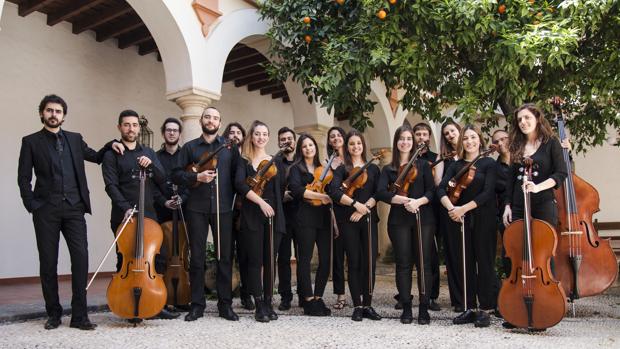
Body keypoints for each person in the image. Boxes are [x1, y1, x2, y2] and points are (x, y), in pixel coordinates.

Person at [18, 94, 120, 330]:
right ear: (42, 113)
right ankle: (53, 314)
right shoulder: (31, 142)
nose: (54, 114)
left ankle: (79, 316)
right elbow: (23, 178)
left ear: (63, 116)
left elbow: (95, 157)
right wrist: (32, 204)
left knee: (81, 260)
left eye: (58, 111)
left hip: (75, 209)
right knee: (48, 262)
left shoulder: (75, 139)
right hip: (46, 211)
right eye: (49, 111)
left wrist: (110, 145)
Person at [101, 109, 173, 322]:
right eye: (126, 125)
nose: (131, 128)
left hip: (148, 212)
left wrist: (151, 166)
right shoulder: (111, 154)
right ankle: (127, 305)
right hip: (123, 214)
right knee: (125, 258)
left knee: (155, 258)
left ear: (138, 128)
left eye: (134, 125)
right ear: (119, 127)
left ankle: (155, 305)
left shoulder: (149, 153)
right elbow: (111, 186)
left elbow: (162, 180)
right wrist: (124, 208)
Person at [501, 103, 568, 329]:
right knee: (519, 254)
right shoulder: (517, 145)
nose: (523, 122)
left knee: (542, 254)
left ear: (537, 119)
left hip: (542, 203)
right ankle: (517, 308)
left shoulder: (551, 144)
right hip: (519, 204)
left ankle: (544, 309)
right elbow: (511, 179)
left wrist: (538, 187)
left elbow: (561, 173)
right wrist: (508, 205)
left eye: (527, 118)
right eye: (520, 120)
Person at [172, 107, 240, 322]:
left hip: (223, 209)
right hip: (196, 209)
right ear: (201, 120)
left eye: (215, 118)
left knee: (224, 258)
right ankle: (197, 305)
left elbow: (237, 179)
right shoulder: (190, 148)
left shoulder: (229, 148)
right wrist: (196, 178)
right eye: (207, 117)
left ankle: (225, 305)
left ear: (220, 123)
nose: (211, 121)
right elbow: (176, 174)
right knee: (197, 258)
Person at [437, 124, 498, 328]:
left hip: (483, 217)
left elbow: (488, 192)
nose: (469, 141)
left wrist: (463, 208)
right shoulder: (455, 165)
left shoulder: (489, 163)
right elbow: (441, 189)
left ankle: (486, 308)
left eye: (473, 137)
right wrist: (451, 208)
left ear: (480, 140)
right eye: (465, 138)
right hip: (459, 219)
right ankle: (469, 307)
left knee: (485, 262)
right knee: (466, 263)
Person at [377, 124, 434, 325]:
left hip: (423, 217)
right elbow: (382, 192)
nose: (405, 142)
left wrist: (417, 202)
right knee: (403, 264)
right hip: (399, 220)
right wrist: (402, 200)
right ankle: (407, 306)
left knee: (424, 263)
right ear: (396, 142)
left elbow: (431, 192)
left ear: (413, 142)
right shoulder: (389, 168)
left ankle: (424, 307)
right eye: (402, 138)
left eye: (409, 139)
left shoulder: (424, 166)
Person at [235, 120, 286, 322]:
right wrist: (260, 203)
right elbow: (240, 185)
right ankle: (258, 305)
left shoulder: (275, 161)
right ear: (251, 136)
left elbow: (279, 189)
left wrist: (272, 208)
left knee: (269, 262)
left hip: (273, 215)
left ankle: (268, 302)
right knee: (255, 261)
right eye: (257, 134)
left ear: (268, 137)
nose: (261, 137)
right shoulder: (244, 161)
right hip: (252, 214)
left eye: (265, 134)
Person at [329, 130, 381, 322]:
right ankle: (357, 305)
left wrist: (364, 208)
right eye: (352, 144)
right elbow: (333, 191)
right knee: (354, 262)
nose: (355, 147)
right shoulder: (342, 169)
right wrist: (354, 204)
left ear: (363, 145)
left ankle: (368, 304)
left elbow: (380, 193)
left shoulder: (374, 169)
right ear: (347, 147)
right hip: (348, 221)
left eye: (358, 143)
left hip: (368, 219)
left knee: (369, 262)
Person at [288, 134, 333, 316]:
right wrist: (320, 196)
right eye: (305, 146)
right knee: (304, 259)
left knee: (325, 259)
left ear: (316, 146)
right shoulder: (295, 169)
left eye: (311, 145)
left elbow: (332, 189)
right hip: (304, 216)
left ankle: (318, 297)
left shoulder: (324, 168)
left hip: (323, 216)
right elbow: (297, 190)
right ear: (301, 149)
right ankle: (307, 299)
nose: (308, 148)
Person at [152, 117, 187, 315]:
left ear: (179, 133)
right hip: (162, 211)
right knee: (162, 256)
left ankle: (182, 297)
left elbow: (191, 183)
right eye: (168, 130)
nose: (172, 133)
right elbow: (152, 186)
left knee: (183, 254)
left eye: (175, 130)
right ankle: (162, 299)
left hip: (183, 212)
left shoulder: (186, 157)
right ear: (163, 133)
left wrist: (182, 198)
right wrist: (163, 201)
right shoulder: (156, 158)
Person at [223, 122, 254, 311]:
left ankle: (246, 293)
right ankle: (225, 296)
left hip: (244, 212)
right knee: (226, 254)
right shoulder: (224, 153)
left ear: (243, 136)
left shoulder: (247, 158)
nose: (235, 135)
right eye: (231, 132)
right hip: (227, 209)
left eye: (238, 132)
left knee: (245, 255)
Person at [412, 122, 442, 311]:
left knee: (431, 254)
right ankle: (406, 294)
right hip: (410, 208)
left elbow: (436, 185)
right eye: (418, 134)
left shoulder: (435, 158)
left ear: (429, 137)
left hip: (430, 209)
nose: (421, 137)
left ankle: (431, 295)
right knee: (411, 254)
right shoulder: (408, 158)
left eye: (425, 134)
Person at [437, 118, 462, 312]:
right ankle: (458, 299)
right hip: (449, 207)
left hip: (470, 208)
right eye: (446, 133)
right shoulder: (444, 158)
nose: (450, 135)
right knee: (453, 256)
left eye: (452, 131)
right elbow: (439, 183)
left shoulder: (472, 152)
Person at [275, 127, 298, 311]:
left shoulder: (302, 161)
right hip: (281, 215)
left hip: (301, 215)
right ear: (278, 142)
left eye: (290, 138)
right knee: (283, 258)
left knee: (302, 257)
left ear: (295, 141)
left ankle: (305, 294)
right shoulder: (275, 162)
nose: (287, 141)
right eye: (283, 139)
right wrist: (282, 195)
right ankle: (285, 296)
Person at [326, 126, 348, 310]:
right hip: (333, 210)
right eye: (332, 136)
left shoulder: (352, 159)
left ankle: (360, 293)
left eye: (339, 135)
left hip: (351, 208)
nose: (335, 138)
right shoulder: (327, 161)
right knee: (338, 256)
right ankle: (340, 294)